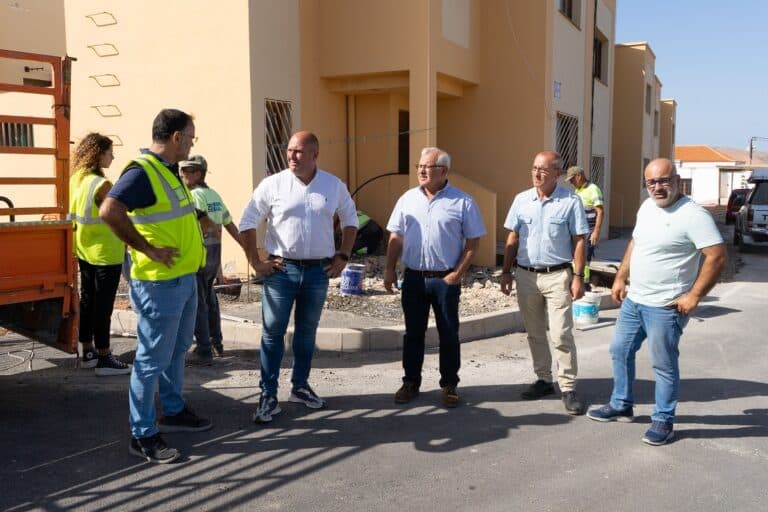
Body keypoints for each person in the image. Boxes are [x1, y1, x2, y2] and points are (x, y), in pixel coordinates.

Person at [587, 158, 726, 446]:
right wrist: (621, 277)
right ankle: (621, 403)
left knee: (663, 364)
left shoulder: (694, 215)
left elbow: (717, 256)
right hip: (635, 299)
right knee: (619, 350)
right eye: (651, 182)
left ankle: (663, 420)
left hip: (666, 306)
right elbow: (636, 243)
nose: (657, 187)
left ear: (677, 180)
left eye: (664, 180)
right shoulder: (647, 206)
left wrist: (695, 296)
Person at [100, 109, 212, 464]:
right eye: (191, 136)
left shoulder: (167, 172)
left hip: (183, 279)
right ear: (176, 136)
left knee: (176, 350)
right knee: (151, 360)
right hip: (159, 284)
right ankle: (143, 433)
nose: (193, 143)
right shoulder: (141, 171)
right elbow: (109, 210)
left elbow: (170, 217)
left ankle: (173, 410)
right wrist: (146, 248)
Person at [240, 131, 358, 423]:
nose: (292, 156)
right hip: (282, 270)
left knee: (306, 333)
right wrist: (256, 261)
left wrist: (343, 255)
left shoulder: (333, 185)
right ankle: (268, 394)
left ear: (315, 154)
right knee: (272, 334)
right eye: (289, 150)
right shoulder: (273, 184)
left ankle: (300, 386)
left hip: (318, 271)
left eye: (299, 151)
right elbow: (247, 221)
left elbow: (351, 220)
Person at [383, 147, 485, 408]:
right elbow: (396, 237)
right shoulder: (407, 199)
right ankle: (411, 382)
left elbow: (473, 243)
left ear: (443, 171)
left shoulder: (463, 202)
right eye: (419, 166)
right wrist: (389, 268)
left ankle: (450, 384)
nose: (420, 170)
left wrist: (456, 275)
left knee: (449, 333)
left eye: (427, 166)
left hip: (444, 281)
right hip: (414, 278)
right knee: (413, 333)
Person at [500, 151, 588, 415]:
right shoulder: (521, 200)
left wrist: (579, 277)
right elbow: (512, 238)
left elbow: (579, 240)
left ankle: (568, 387)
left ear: (558, 174)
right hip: (526, 275)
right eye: (534, 168)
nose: (537, 174)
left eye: (544, 170)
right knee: (535, 332)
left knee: (561, 333)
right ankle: (543, 380)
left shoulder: (570, 202)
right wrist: (505, 272)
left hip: (557, 275)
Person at [69, 133, 130, 376]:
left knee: (88, 301)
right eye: (109, 152)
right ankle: (104, 358)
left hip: (84, 249)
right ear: (98, 154)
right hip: (106, 253)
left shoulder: (76, 179)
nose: (113, 156)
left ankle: (88, 352)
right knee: (103, 307)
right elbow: (119, 212)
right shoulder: (101, 184)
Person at [179, 155, 244, 364]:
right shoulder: (213, 194)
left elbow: (199, 226)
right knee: (210, 299)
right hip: (214, 254)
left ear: (199, 174)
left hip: (199, 254)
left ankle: (204, 349)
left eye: (188, 171)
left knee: (199, 303)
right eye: (183, 170)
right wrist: (245, 247)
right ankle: (217, 343)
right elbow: (229, 224)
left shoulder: (195, 196)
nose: (183, 174)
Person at [564, 165, 603, 265]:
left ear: (579, 176)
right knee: (576, 255)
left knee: (585, 257)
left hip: (589, 230)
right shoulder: (578, 190)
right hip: (579, 229)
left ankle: (584, 279)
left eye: (572, 179)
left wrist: (596, 232)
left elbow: (600, 211)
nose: (571, 182)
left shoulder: (593, 189)